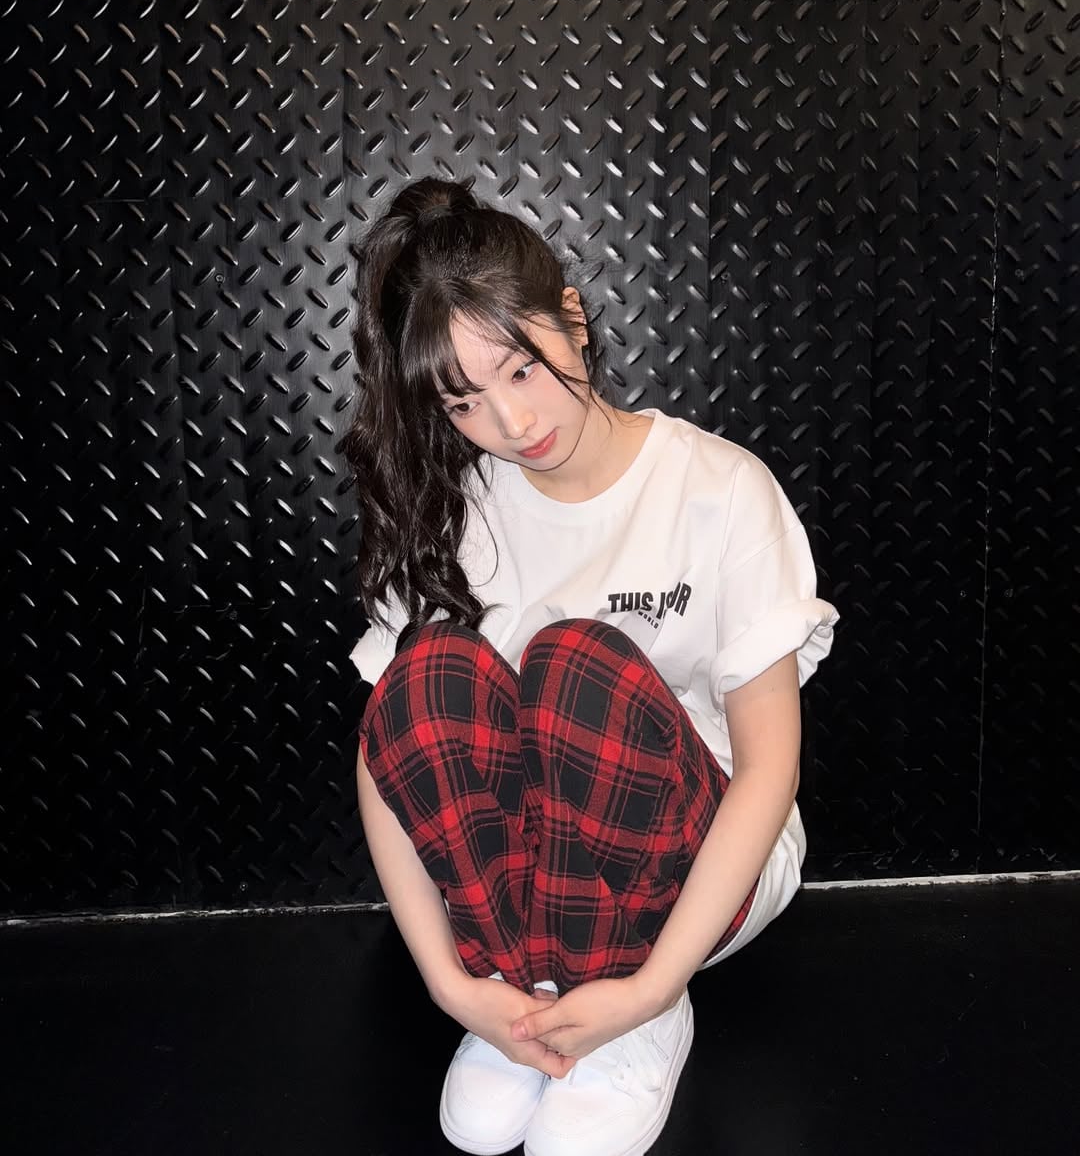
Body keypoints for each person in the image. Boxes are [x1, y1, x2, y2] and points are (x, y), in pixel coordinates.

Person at [345, 175, 839, 1156]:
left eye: (522, 368)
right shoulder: (460, 512)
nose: (511, 420)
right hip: (527, 900)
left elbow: (769, 769)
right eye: (465, 401)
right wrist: (453, 984)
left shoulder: (720, 488)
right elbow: (389, 752)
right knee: (428, 671)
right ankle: (527, 1002)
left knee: (573, 663)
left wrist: (651, 986)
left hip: (702, 870)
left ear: (571, 321)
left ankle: (627, 1016)